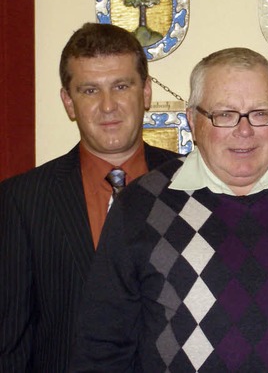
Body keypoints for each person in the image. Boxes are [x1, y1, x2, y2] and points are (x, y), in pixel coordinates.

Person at [70, 47, 268, 372]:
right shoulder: (140, 207)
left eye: (260, 113)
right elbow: (101, 350)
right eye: (224, 115)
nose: (244, 130)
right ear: (192, 121)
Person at [0, 23, 179, 371]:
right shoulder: (21, 201)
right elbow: (10, 341)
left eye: (121, 86)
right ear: (69, 102)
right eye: (90, 90)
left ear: (146, 93)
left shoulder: (193, 185)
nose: (108, 106)